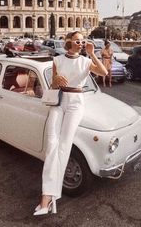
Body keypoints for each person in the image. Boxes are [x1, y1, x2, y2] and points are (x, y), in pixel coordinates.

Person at [33, 31, 108, 216]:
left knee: (64, 148)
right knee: (51, 146)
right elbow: (52, 86)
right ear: (68, 42)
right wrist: (56, 81)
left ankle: (47, 199)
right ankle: (48, 197)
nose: (81, 43)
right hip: (59, 102)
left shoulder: (85, 61)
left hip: (76, 103)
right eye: (77, 40)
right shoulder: (57, 60)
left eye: (83, 41)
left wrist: (92, 54)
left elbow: (104, 72)